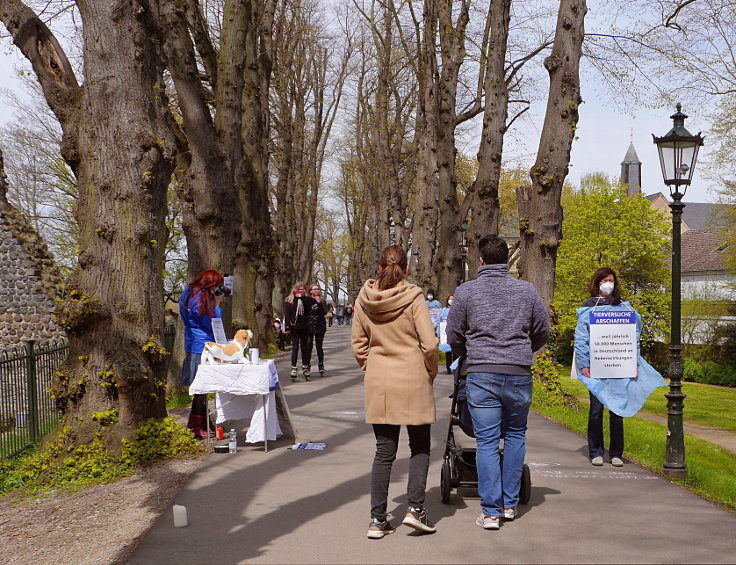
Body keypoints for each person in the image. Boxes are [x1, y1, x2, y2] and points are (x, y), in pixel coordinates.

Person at [446, 235, 550, 530]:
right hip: (518, 372)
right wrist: (522, 350)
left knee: (487, 441)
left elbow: (454, 333)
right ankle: (508, 505)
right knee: (516, 435)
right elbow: (542, 330)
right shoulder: (526, 291)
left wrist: (468, 352)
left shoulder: (467, 292)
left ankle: (490, 511)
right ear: (506, 260)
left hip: (482, 372)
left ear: (480, 261)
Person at [352, 245, 439, 539]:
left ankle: (377, 519)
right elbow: (429, 344)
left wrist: (372, 368)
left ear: (379, 268)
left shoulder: (364, 300)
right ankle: (415, 510)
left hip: (380, 381)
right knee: (420, 447)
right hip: (413, 377)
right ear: (406, 269)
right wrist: (430, 371)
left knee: (384, 451)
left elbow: (359, 345)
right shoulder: (414, 296)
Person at [574, 267, 667, 467]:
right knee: (596, 411)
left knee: (617, 410)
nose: (609, 284)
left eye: (611, 280)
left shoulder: (624, 308)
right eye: (605, 280)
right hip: (596, 368)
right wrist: (584, 365)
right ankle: (596, 452)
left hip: (619, 366)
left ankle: (616, 453)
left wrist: (633, 363)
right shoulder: (589, 307)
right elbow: (581, 340)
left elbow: (633, 338)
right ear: (597, 283)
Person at [180, 268, 229, 439]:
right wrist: (217, 304)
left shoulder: (190, 292)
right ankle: (195, 425)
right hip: (201, 346)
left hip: (195, 343)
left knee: (203, 387)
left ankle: (203, 422)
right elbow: (211, 322)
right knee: (201, 386)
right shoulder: (200, 299)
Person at [284, 282, 314, 381]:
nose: (301, 291)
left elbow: (309, 309)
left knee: (304, 348)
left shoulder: (306, 300)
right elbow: (287, 315)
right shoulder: (290, 299)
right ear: (296, 289)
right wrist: (287, 328)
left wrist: (304, 298)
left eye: (303, 289)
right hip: (294, 327)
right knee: (295, 348)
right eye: (299, 289)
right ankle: (293, 367)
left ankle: (305, 367)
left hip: (304, 327)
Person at [307, 283, 328, 376]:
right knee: (308, 346)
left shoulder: (322, 301)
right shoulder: (307, 300)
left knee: (319, 346)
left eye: (318, 289)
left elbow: (324, 312)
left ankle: (321, 364)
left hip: (320, 325)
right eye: (314, 289)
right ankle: (307, 365)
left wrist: (319, 302)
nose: (317, 291)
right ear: (310, 291)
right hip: (309, 325)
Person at [439, 295, 455, 374]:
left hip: (455, 334)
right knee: (448, 352)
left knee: (456, 353)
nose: (451, 301)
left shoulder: (457, 309)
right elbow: (440, 322)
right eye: (450, 299)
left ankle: (455, 369)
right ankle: (448, 369)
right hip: (445, 334)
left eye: (452, 299)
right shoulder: (443, 310)